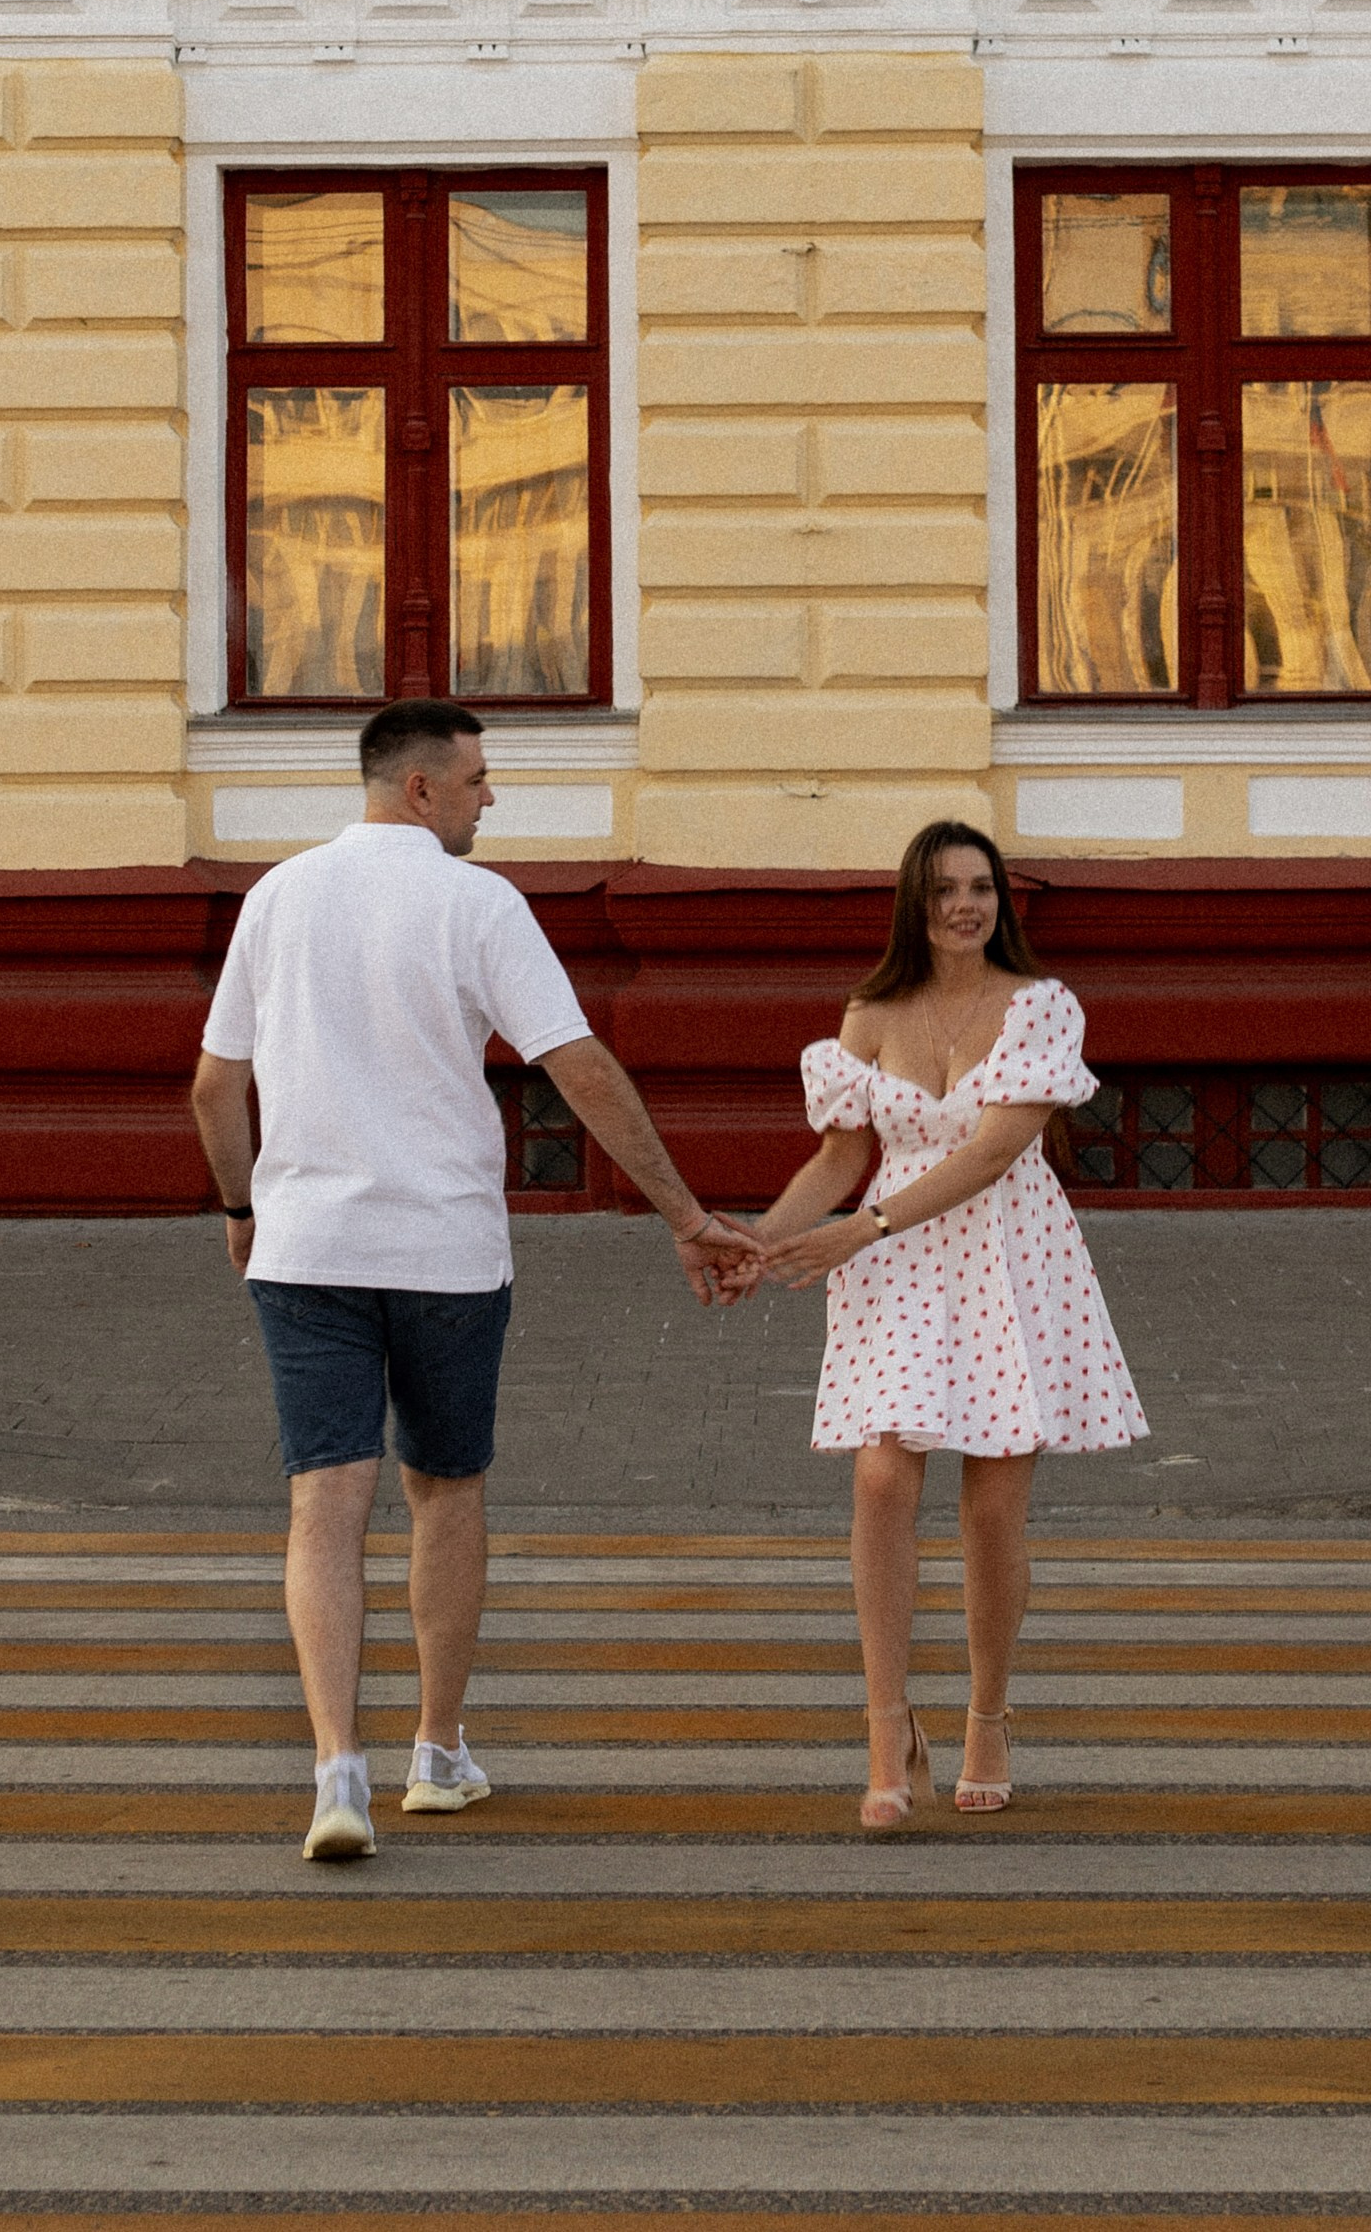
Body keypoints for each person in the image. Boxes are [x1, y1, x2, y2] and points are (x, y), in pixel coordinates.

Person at [191, 697, 763, 1866]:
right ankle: (437, 1753)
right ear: (420, 790)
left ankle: (334, 1771)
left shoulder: (275, 899)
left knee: (324, 1500)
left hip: (306, 1250)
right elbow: (581, 1070)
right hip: (445, 1251)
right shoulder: (475, 902)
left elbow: (210, 1089)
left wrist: (244, 1209)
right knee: (443, 1491)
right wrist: (685, 1214)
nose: (489, 797)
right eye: (477, 778)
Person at [752, 818, 1147, 1830]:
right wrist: (755, 1244)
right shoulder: (871, 1013)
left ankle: (984, 1717)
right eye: (942, 891)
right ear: (912, 906)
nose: (964, 905)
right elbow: (840, 1159)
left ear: (998, 903)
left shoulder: (1039, 1008)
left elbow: (988, 1156)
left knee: (991, 1510)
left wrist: (858, 1230)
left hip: (1009, 1263)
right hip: (897, 1271)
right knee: (882, 1481)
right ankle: (887, 1731)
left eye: (979, 888)